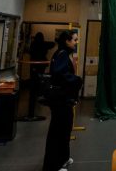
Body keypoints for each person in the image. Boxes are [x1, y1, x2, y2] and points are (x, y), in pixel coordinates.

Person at [42, 30, 82, 171]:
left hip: (64, 100)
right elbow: (60, 75)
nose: (76, 43)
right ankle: (53, 165)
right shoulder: (62, 55)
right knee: (58, 132)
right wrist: (77, 80)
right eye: (75, 40)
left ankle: (63, 158)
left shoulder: (63, 54)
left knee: (65, 129)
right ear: (67, 41)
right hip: (60, 100)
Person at [27, 32, 55, 118]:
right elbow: (52, 44)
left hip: (33, 66)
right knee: (40, 81)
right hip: (41, 66)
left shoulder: (33, 44)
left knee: (33, 83)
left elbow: (30, 52)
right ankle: (39, 94)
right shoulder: (43, 44)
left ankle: (35, 95)